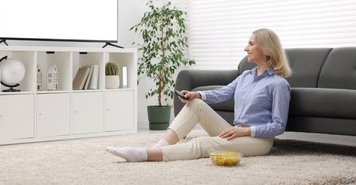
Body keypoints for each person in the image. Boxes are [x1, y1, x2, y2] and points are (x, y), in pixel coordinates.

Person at [106, 28, 292, 162]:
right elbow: (223, 92)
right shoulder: (246, 76)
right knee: (195, 104)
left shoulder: (279, 84)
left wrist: (245, 131)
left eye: (251, 44)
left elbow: (278, 125)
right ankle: (158, 147)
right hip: (234, 130)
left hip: (257, 140)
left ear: (266, 50)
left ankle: (146, 155)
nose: (246, 48)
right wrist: (197, 94)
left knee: (204, 143)